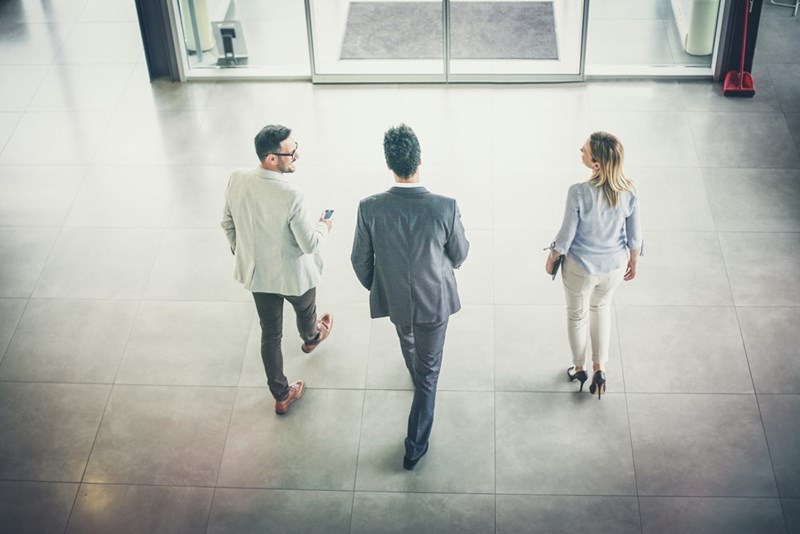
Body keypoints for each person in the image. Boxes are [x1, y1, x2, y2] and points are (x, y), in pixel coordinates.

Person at [351, 124, 469, 470]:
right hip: (435, 300)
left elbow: (360, 260)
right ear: (420, 159)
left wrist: (383, 284)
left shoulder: (369, 207)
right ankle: (415, 446)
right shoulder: (444, 207)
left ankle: (414, 372)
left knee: (406, 335)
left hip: (396, 300)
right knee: (430, 374)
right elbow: (459, 253)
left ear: (390, 164)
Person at [222, 124, 333, 415]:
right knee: (306, 311)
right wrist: (324, 226)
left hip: (259, 277)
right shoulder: (291, 195)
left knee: (270, 335)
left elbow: (227, 223)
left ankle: (282, 395)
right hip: (294, 276)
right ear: (272, 158)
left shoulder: (237, 179)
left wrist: (242, 252)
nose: (297, 155)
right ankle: (311, 339)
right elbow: (309, 245)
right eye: (291, 152)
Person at [545, 131, 643, 400]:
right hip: (613, 268)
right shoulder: (629, 189)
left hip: (580, 267)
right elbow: (634, 235)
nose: (581, 150)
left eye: (584, 151)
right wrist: (633, 260)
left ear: (596, 164)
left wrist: (552, 256)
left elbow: (566, 236)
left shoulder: (578, 192)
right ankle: (600, 370)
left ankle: (579, 369)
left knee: (577, 315)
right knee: (601, 308)